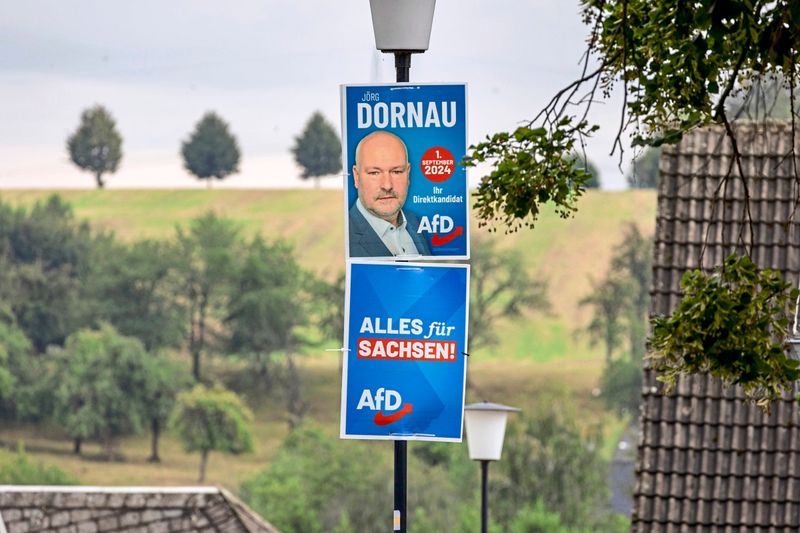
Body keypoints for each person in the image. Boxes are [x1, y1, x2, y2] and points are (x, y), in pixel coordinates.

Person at [349, 130, 431, 257]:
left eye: (396, 172)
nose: (387, 185)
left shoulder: (417, 223)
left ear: (408, 173)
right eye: (374, 173)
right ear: (356, 176)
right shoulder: (344, 235)